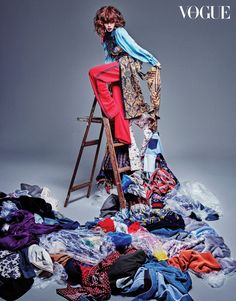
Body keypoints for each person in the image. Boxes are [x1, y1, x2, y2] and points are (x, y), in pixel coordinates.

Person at [88, 5, 161, 144]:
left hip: (126, 67)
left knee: (93, 73)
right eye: (106, 23)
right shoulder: (104, 37)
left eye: (111, 22)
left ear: (116, 21)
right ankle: (124, 137)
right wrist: (107, 75)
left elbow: (135, 47)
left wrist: (153, 61)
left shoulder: (120, 32)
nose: (109, 26)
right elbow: (108, 58)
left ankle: (110, 109)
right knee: (117, 99)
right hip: (117, 68)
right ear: (101, 23)